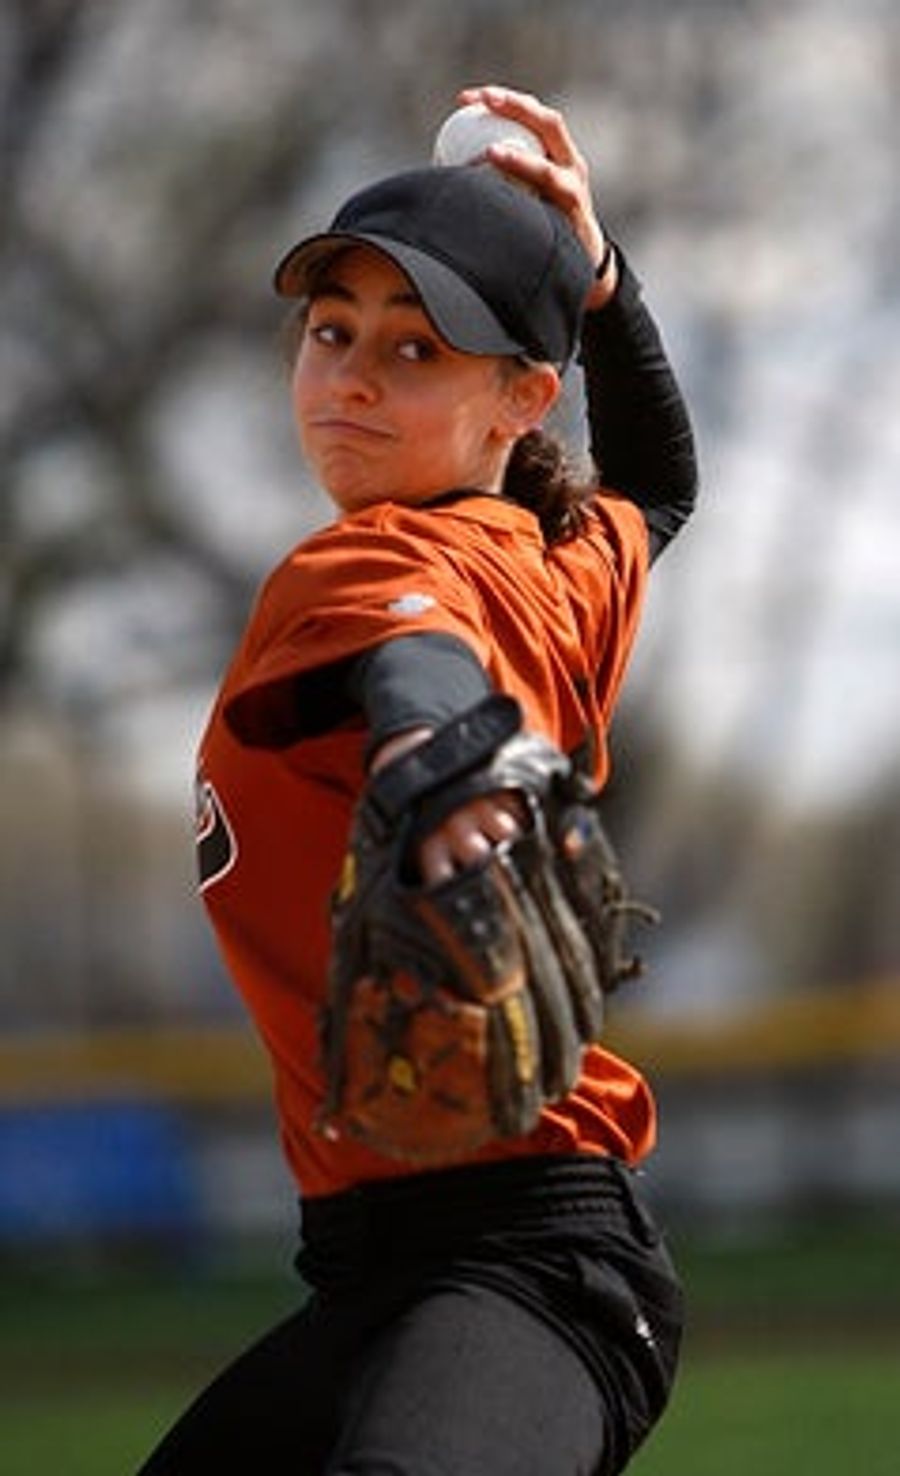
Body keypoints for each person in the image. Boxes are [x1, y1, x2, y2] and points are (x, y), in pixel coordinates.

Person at [139, 83, 698, 1476]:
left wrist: (447, 786)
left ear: (523, 396)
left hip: (521, 1274)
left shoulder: (376, 560)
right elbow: (664, 488)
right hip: (393, 1273)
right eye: (334, 333)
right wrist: (602, 272)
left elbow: (416, 674)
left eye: (418, 347)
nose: (353, 378)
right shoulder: (553, 566)